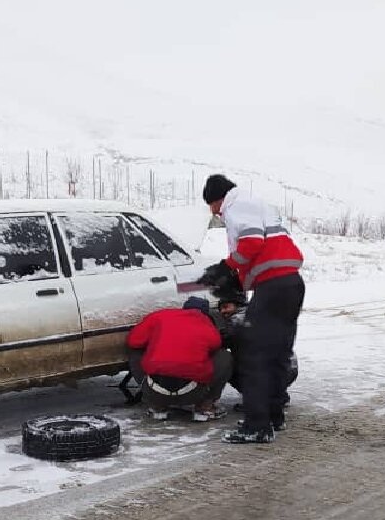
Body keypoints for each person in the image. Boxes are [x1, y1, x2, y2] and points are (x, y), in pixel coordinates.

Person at [200, 174, 304, 444]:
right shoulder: (259, 204)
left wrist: (227, 265)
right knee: (278, 353)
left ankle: (257, 425)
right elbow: (266, 248)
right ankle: (274, 414)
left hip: (272, 287)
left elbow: (251, 242)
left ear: (219, 199)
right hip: (291, 284)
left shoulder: (237, 206)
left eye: (214, 209)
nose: (218, 215)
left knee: (254, 356)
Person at [125, 297, 231, 422]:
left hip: (154, 391)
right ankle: (204, 408)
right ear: (205, 313)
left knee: (136, 353)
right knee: (224, 356)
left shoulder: (160, 316)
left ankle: (158, 407)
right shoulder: (206, 323)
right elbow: (216, 345)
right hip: (193, 393)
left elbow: (133, 341)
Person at [211, 291, 297, 411]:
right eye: (220, 309)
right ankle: (278, 396)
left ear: (238, 305)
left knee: (226, 362)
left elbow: (218, 342)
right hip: (289, 368)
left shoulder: (237, 320)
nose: (222, 312)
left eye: (226, 307)